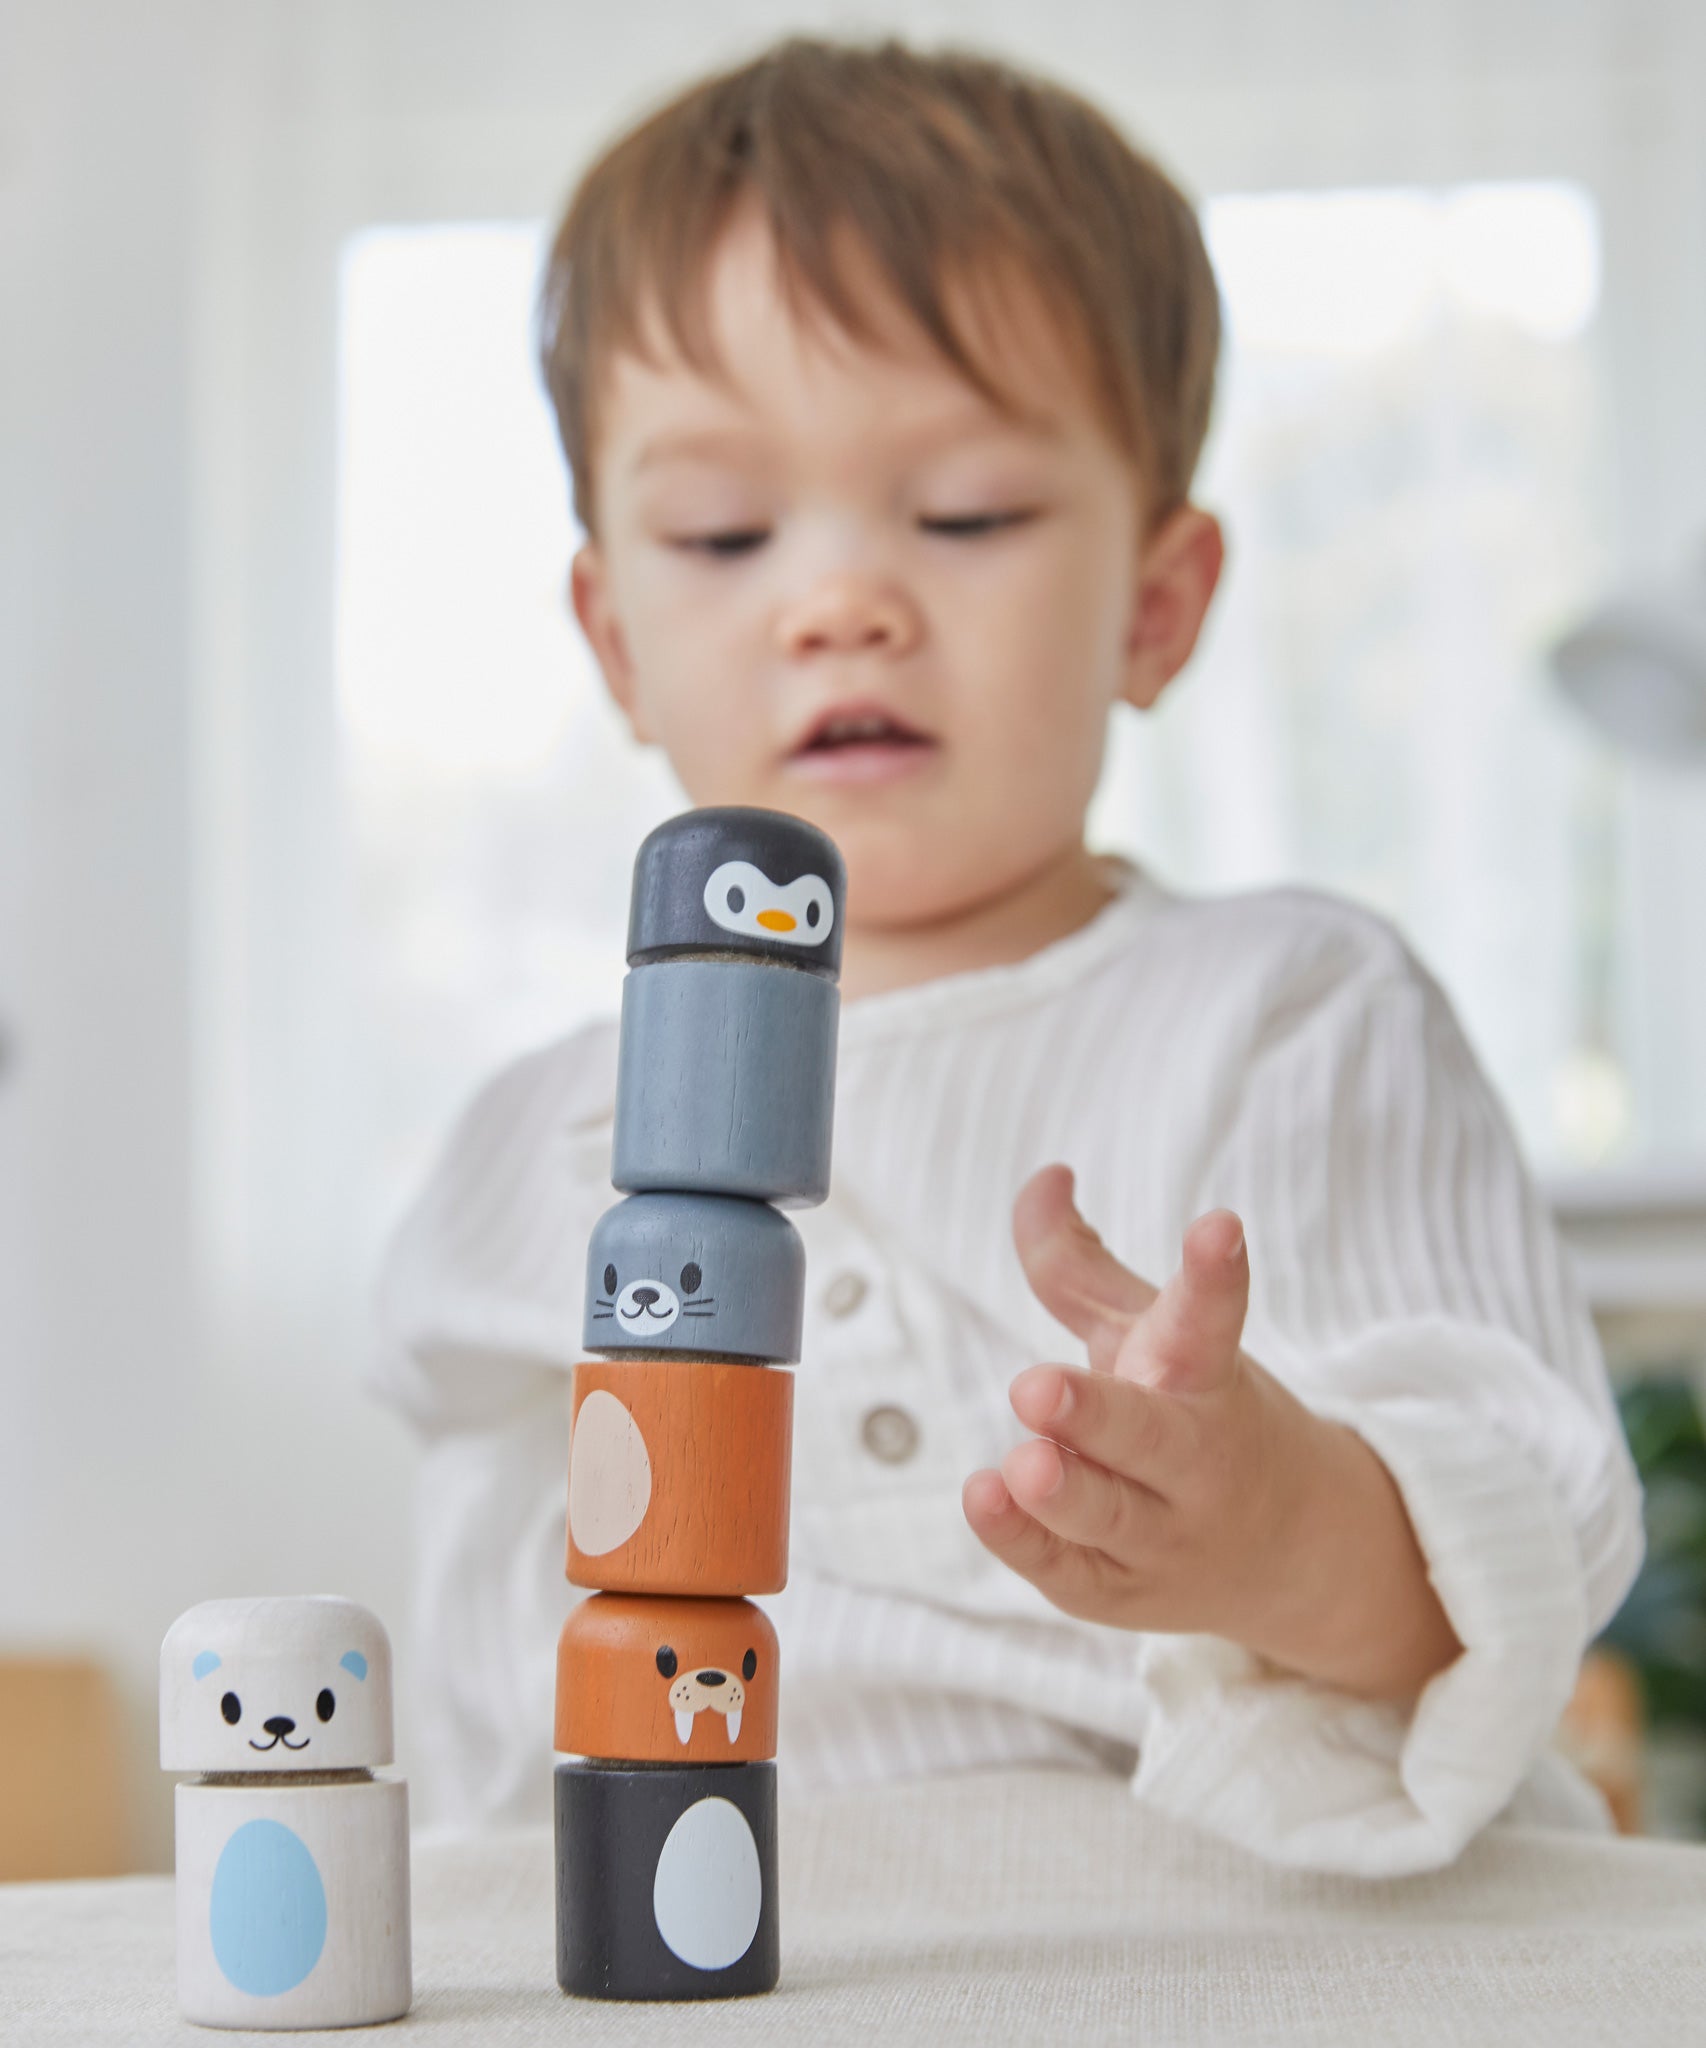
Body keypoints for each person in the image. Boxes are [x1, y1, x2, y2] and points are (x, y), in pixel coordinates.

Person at [371, 35, 1643, 1874]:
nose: (839, 601)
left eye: (963, 514)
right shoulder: (522, 1152)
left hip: (1233, 1939)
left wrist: (1281, 1526)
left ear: (1156, 600)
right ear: (616, 639)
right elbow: (488, 1721)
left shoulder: (1288, 1010)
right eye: (723, 533)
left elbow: (1517, 1528)